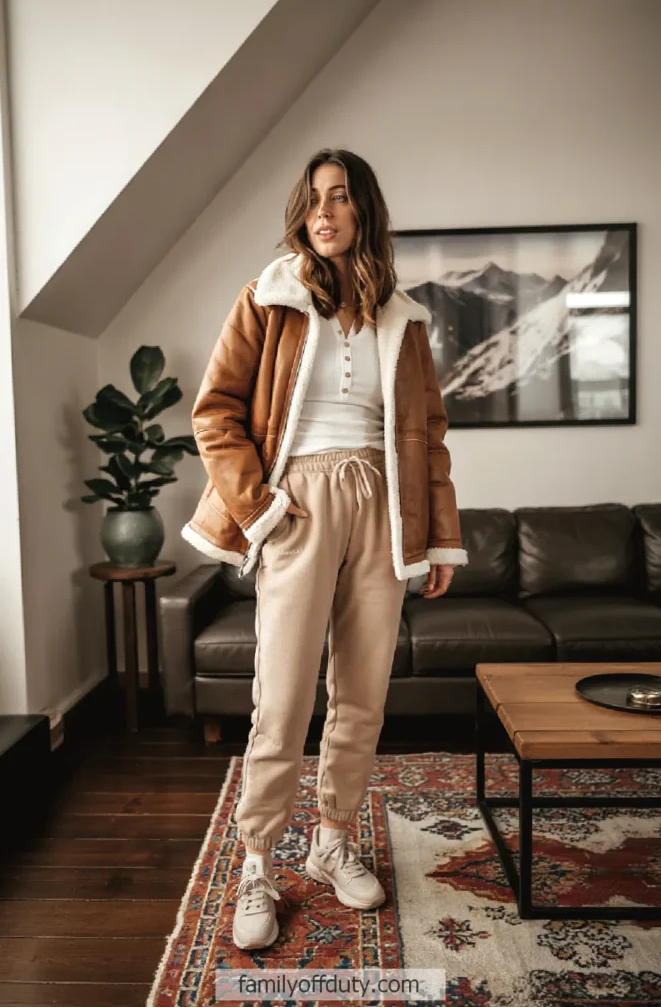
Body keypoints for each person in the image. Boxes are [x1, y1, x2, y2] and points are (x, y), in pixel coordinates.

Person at [182, 148, 467, 951]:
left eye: (339, 199)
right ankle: (257, 861)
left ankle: (331, 837)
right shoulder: (268, 297)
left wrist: (438, 536)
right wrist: (263, 507)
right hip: (297, 503)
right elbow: (216, 411)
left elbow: (430, 437)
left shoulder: (403, 318)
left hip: (382, 504)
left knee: (363, 693)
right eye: (313, 201)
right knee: (281, 700)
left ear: (363, 211)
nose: (324, 213)